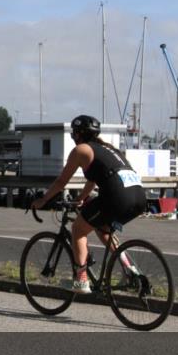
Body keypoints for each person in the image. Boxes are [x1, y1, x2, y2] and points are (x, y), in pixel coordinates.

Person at [31, 115, 146, 293]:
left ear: (78, 135)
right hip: (139, 197)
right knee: (103, 228)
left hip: (117, 197)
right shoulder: (107, 149)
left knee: (78, 229)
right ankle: (131, 271)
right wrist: (82, 199)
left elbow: (61, 182)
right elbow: (93, 180)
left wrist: (43, 200)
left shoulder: (81, 150)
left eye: (73, 134)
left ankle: (81, 280)